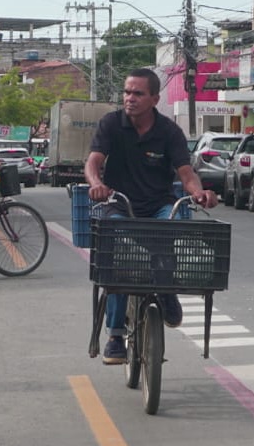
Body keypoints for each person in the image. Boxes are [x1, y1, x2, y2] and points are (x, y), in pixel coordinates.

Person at [86, 68, 217, 365]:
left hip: (159, 204)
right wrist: (97, 185)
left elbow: (186, 174)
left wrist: (199, 194)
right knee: (117, 259)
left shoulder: (169, 132)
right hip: (118, 204)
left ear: (155, 99)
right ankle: (116, 334)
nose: (130, 99)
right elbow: (93, 162)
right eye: (127, 92)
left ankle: (167, 289)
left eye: (138, 93)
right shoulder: (111, 124)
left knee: (174, 228)